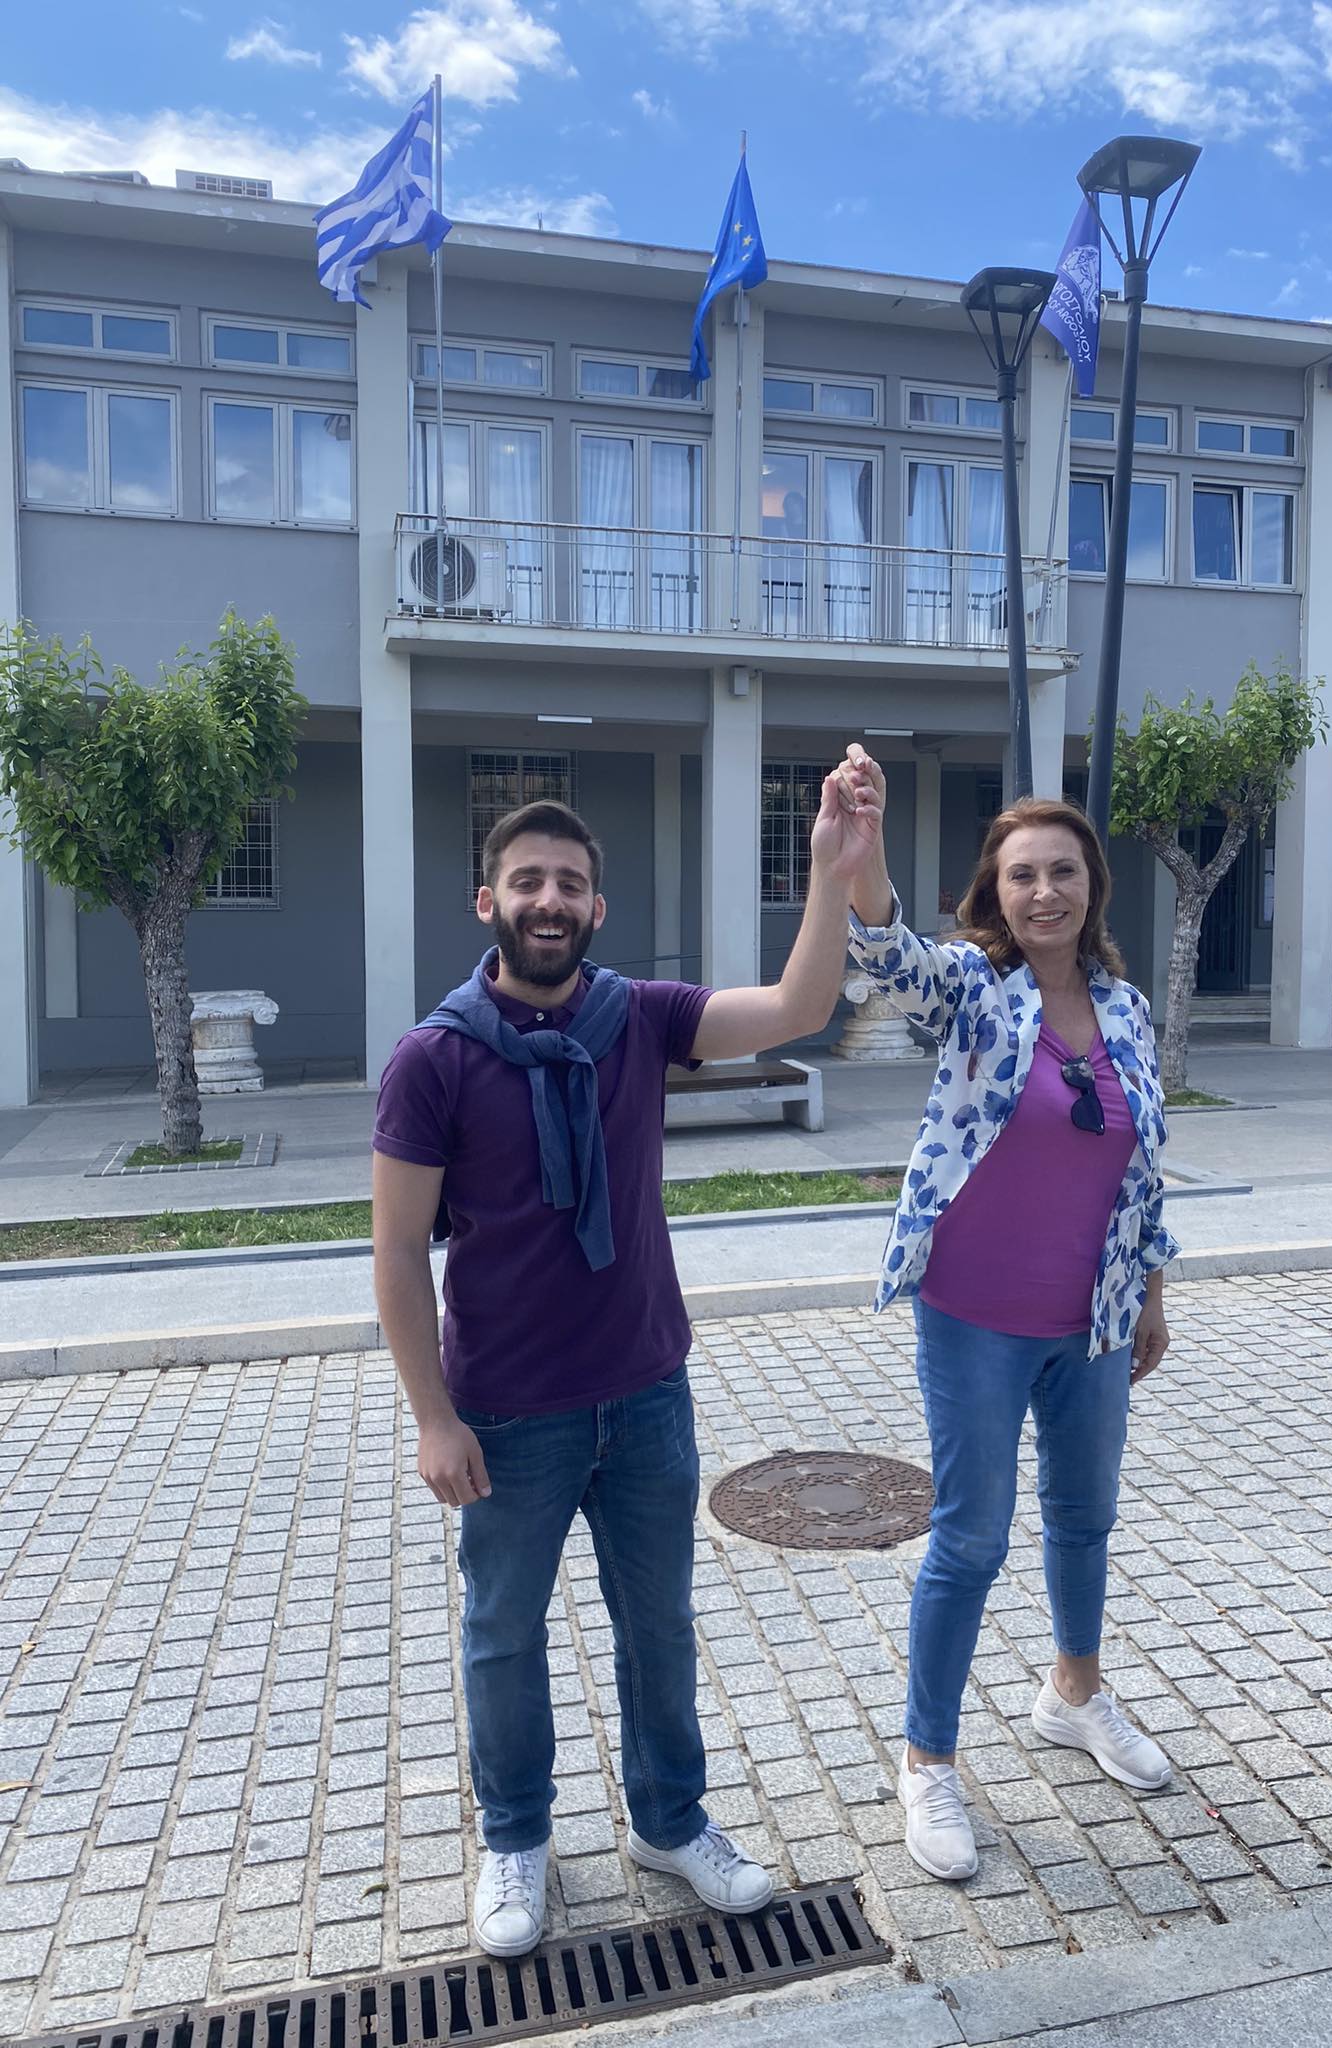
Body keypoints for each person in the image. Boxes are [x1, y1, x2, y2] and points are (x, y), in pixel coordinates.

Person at [371, 780, 876, 1956]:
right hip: (506, 1411)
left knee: (659, 1624)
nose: (549, 899)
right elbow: (396, 1251)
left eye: (570, 883)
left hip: (646, 1393)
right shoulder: (433, 1059)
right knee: (504, 1631)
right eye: (528, 881)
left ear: (598, 906)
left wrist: (829, 867)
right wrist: (434, 1418)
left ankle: (669, 1820)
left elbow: (799, 1005)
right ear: (488, 900)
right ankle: (516, 1836)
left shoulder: (637, 1017)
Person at [835, 744, 1179, 1884]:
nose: (1044, 891)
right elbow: (888, 953)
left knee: (1084, 1517)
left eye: (1063, 871)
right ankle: (927, 1759)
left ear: (1092, 887)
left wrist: (1151, 1292)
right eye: (1023, 873)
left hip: (1092, 1319)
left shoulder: (1126, 1008)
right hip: (975, 1317)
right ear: (997, 889)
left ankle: (1073, 1693)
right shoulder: (977, 991)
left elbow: (1146, 1168)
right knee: (971, 1537)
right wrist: (865, 845)